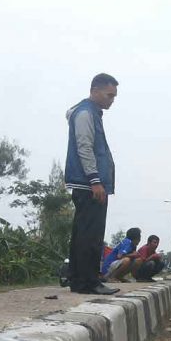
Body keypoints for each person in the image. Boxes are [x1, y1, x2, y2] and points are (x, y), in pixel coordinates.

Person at [65, 73, 120, 295]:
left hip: (88, 183)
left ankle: (78, 279)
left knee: (83, 232)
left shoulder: (90, 113)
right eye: (109, 95)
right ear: (95, 90)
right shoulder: (85, 113)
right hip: (89, 184)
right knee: (91, 234)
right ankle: (88, 281)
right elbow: (84, 147)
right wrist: (95, 180)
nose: (112, 100)